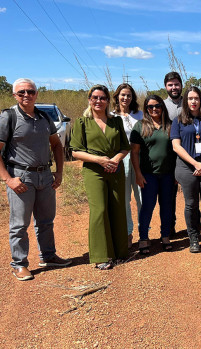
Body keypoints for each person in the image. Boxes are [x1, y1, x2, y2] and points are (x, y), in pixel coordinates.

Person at [0, 78, 71, 281]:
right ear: (14, 95)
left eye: (30, 91)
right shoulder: (8, 117)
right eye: (21, 92)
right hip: (21, 177)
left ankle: (48, 256)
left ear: (36, 94)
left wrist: (58, 173)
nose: (26, 95)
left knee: (46, 221)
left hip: (45, 176)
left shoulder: (43, 117)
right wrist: (8, 179)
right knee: (19, 224)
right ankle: (19, 264)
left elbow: (57, 145)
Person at [70, 85, 130, 270]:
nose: (98, 101)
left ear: (107, 100)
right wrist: (99, 160)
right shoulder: (82, 122)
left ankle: (120, 252)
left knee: (118, 208)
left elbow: (125, 147)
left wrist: (116, 159)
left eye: (102, 98)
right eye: (95, 97)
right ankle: (101, 255)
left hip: (115, 169)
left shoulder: (116, 121)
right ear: (89, 99)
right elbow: (75, 152)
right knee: (100, 210)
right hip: (94, 171)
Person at [171, 86, 201, 253]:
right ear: (186, 101)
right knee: (191, 204)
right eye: (190, 98)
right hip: (186, 168)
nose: (193, 101)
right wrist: (195, 163)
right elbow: (176, 147)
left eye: (196, 98)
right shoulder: (178, 121)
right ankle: (193, 237)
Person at [130, 95, 176, 253]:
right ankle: (143, 238)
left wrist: (176, 173)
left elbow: (176, 151)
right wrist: (138, 173)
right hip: (148, 175)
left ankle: (165, 236)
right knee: (147, 206)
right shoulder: (140, 126)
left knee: (167, 206)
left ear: (162, 107)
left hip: (168, 174)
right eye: (150, 107)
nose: (154, 109)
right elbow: (134, 153)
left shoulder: (170, 125)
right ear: (146, 109)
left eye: (157, 106)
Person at [111, 83, 143, 248]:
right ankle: (128, 233)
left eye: (129, 95)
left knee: (142, 198)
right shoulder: (110, 116)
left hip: (139, 159)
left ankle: (143, 232)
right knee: (124, 199)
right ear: (117, 96)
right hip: (120, 160)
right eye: (123, 95)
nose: (125, 98)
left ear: (133, 98)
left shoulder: (140, 115)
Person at [163, 72, 183, 235]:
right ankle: (169, 227)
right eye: (170, 85)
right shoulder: (161, 106)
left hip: (191, 154)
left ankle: (196, 226)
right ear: (165, 87)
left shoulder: (190, 102)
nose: (174, 87)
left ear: (181, 85)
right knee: (170, 195)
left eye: (176, 84)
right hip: (169, 155)